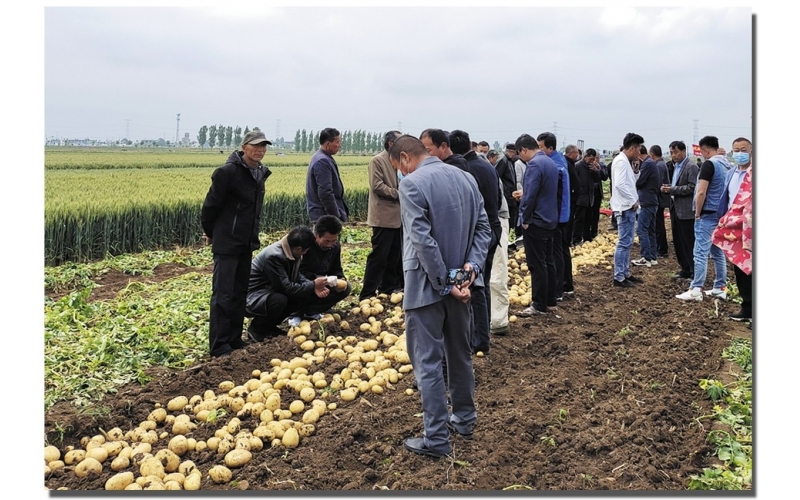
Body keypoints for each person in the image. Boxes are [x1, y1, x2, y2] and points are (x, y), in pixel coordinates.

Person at [389, 135, 490, 458]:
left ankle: (436, 439)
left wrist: (445, 281)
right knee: (459, 353)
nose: (400, 174)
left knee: (428, 363)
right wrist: (469, 271)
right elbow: (483, 229)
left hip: (426, 288)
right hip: (462, 287)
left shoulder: (412, 185)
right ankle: (464, 419)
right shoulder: (466, 178)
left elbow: (422, 239)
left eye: (398, 168)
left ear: (405, 158)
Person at [201, 130, 272, 358]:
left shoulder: (259, 173)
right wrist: (210, 232)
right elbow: (210, 206)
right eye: (256, 146)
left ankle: (234, 339)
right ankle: (219, 345)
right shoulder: (227, 172)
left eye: (263, 146)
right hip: (227, 243)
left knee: (240, 292)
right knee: (223, 294)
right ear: (244, 147)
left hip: (246, 242)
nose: (260, 150)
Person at [450, 129, 502, 354]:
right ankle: (483, 334)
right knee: (482, 283)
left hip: (476, 238)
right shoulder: (486, 166)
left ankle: (478, 339)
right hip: (491, 231)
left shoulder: (466, 170)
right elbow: (498, 200)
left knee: (474, 286)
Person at [245, 226, 342, 342]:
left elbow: (297, 275)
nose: (305, 253)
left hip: (269, 290)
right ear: (299, 249)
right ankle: (256, 329)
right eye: (306, 251)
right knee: (280, 300)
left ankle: (269, 327)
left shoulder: (292, 250)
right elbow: (286, 288)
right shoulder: (274, 256)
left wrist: (312, 285)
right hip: (251, 296)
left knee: (300, 295)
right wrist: (312, 285)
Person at [675, 136, 730, 301]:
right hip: (720, 213)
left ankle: (696, 288)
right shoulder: (727, 164)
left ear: (705, 150)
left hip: (707, 213)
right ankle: (720, 286)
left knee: (699, 252)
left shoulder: (709, 164)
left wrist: (697, 213)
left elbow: (701, 191)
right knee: (717, 251)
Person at [515, 134, 560, 315]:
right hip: (550, 218)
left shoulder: (534, 165)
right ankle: (550, 300)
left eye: (520, 154)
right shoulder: (549, 162)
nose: (521, 157)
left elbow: (530, 195)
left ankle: (538, 304)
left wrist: (524, 219)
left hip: (537, 220)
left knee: (536, 263)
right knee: (549, 261)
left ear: (524, 150)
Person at [360, 130, 404, 301]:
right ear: (390, 144)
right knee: (379, 256)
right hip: (383, 217)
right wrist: (399, 193)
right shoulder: (377, 160)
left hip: (398, 217)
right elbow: (377, 186)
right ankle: (368, 293)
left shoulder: (400, 161)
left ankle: (387, 289)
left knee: (395, 255)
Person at [712, 137, 753, 321]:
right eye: (736, 150)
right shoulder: (732, 173)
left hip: (750, 228)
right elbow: (726, 198)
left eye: (743, 150)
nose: (740, 153)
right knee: (739, 268)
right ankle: (747, 307)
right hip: (733, 228)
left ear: (751, 151)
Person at [295, 215, 352, 323]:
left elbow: (336, 268)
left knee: (346, 287)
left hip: (324, 283)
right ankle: (297, 312)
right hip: (307, 283)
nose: (330, 245)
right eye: (327, 241)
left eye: (333, 241)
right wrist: (317, 280)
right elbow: (299, 272)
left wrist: (341, 278)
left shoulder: (335, 247)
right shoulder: (306, 246)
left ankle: (312, 311)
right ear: (316, 235)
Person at [537, 133, 573, 301]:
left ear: (550, 148)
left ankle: (558, 289)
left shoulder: (555, 167)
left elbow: (555, 195)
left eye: (541, 147)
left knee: (556, 253)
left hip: (558, 215)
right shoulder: (559, 161)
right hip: (562, 214)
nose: (539, 150)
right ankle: (566, 285)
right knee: (562, 250)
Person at [610, 133, 646, 287]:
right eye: (638, 149)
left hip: (627, 207)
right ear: (632, 148)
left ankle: (625, 273)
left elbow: (629, 182)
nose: (639, 152)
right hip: (625, 208)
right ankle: (619, 276)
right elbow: (619, 185)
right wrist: (633, 201)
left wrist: (636, 172)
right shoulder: (621, 162)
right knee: (624, 243)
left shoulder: (626, 162)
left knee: (628, 242)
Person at [662, 141, 699, 280]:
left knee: (688, 241)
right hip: (675, 208)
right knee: (678, 241)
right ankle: (684, 268)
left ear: (684, 151)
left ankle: (694, 270)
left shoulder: (691, 167)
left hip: (686, 211)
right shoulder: (675, 166)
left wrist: (673, 189)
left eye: (676, 152)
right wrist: (669, 188)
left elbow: (692, 187)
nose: (674, 155)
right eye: (671, 152)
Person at [306, 127, 349, 224]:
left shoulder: (322, 157)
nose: (339, 145)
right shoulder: (322, 161)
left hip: (324, 214)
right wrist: (335, 217)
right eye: (337, 142)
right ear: (328, 144)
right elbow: (325, 192)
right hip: (324, 216)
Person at [632, 145, 660, 267]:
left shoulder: (647, 164)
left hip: (647, 201)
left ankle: (646, 257)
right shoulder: (651, 163)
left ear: (638, 154)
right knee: (650, 230)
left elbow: (640, 181)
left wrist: (635, 173)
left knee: (642, 229)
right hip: (652, 200)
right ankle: (653, 257)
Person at [572, 148, 602, 245]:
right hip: (580, 198)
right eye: (591, 159)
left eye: (593, 159)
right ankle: (576, 239)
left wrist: (595, 171)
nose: (592, 161)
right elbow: (573, 181)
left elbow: (598, 180)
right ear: (586, 157)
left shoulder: (592, 167)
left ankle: (587, 239)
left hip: (590, 198)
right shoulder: (578, 166)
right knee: (579, 219)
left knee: (589, 219)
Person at [495, 143, 519, 241]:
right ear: (509, 151)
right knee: (508, 219)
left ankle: (511, 238)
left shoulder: (509, 161)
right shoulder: (503, 161)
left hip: (511, 194)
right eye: (513, 152)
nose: (514, 155)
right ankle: (508, 239)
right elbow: (497, 177)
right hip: (506, 194)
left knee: (513, 217)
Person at [651, 145, 671, 258]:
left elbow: (657, 183)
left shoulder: (658, 166)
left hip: (659, 198)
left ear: (653, 154)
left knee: (658, 224)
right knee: (659, 224)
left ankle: (662, 249)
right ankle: (661, 247)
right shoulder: (662, 164)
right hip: (662, 198)